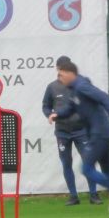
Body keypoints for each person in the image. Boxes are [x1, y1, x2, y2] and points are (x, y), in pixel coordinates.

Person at [53, 60, 109, 214]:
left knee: (86, 168)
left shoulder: (82, 86)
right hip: (102, 133)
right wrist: (56, 114)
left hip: (100, 133)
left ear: (71, 73)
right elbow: (70, 109)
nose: (59, 78)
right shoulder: (74, 90)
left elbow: (104, 97)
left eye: (61, 75)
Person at [42, 56, 100, 205]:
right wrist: (49, 115)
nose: (63, 73)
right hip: (62, 132)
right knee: (66, 163)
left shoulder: (79, 85)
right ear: (57, 69)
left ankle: (94, 194)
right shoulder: (52, 87)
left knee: (88, 161)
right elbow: (46, 105)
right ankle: (73, 196)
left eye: (66, 70)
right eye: (61, 70)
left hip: (81, 130)